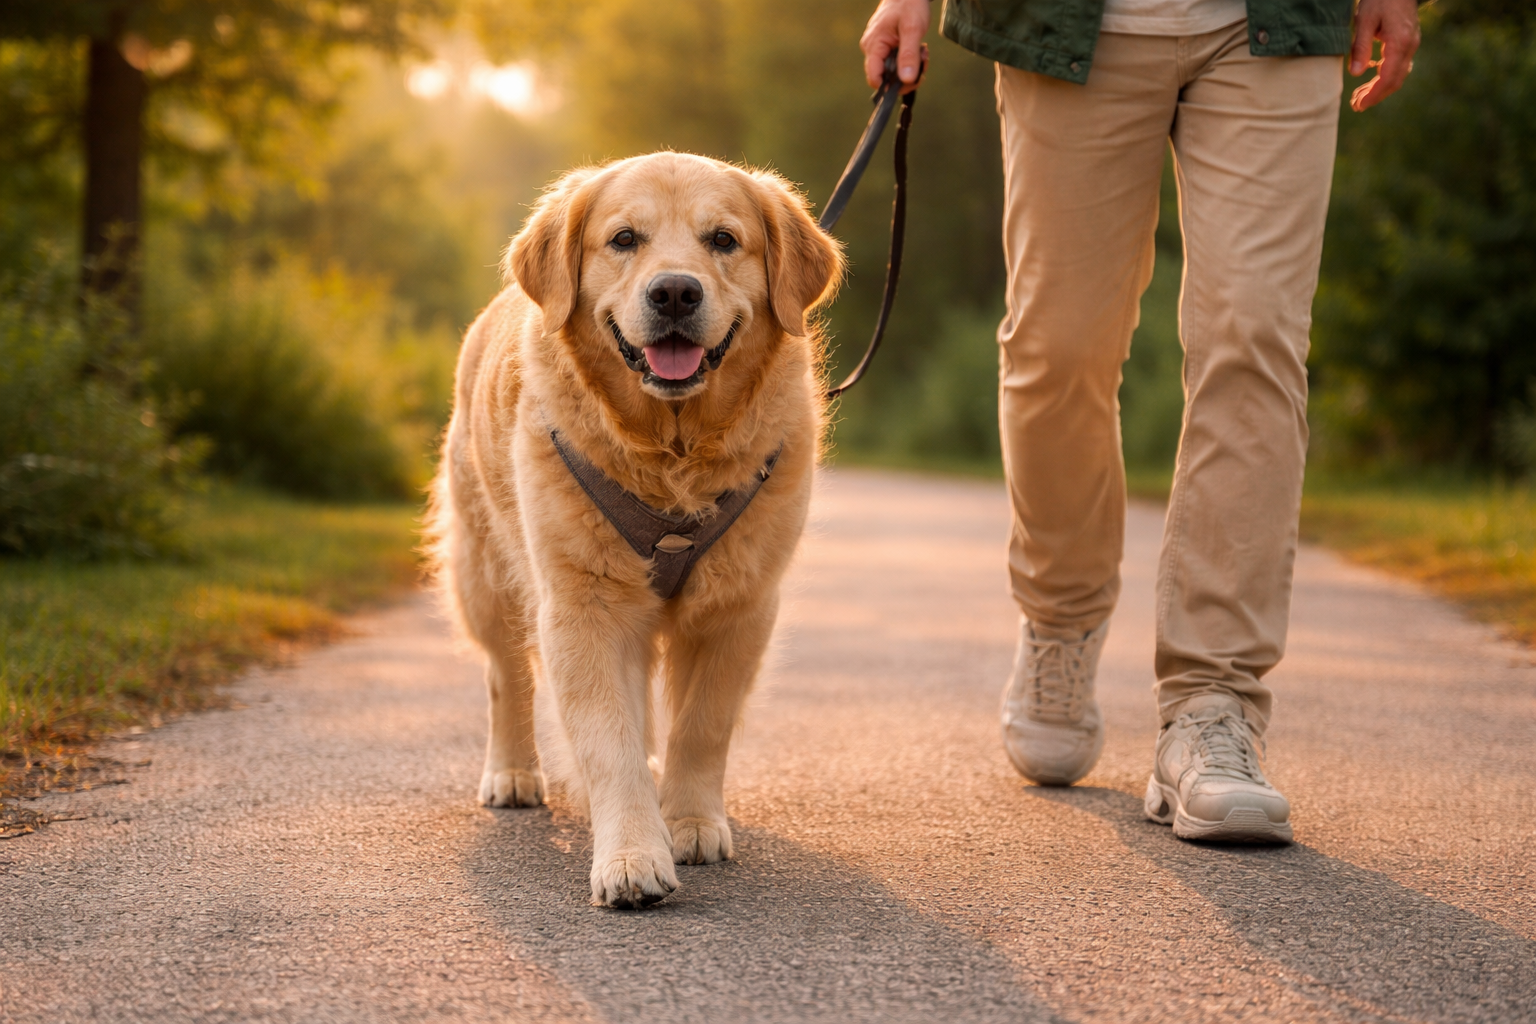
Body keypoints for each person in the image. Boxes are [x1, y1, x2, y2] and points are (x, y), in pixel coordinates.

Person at [859, 0, 1421, 842]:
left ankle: (1214, 703)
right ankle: (1061, 615)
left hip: (1276, 18)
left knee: (1255, 336)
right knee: (1058, 347)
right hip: (1067, 20)